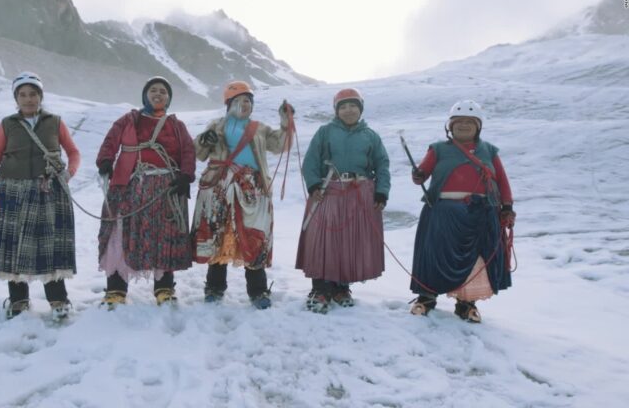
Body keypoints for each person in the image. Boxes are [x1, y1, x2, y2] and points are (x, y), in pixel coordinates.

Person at [0, 71, 80, 320]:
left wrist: (68, 174)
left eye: (33, 94)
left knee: (49, 246)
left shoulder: (55, 122)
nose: (28, 99)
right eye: (23, 95)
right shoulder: (7, 124)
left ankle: (58, 300)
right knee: (14, 246)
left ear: (41, 96)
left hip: (48, 191)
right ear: (16, 98)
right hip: (12, 191)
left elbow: (74, 152)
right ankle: (19, 300)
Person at [409, 100, 515, 323]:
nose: (464, 126)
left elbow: (502, 181)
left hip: (481, 214)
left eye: (469, 122)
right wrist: (418, 175)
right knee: (434, 256)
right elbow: (422, 174)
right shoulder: (437, 149)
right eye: (458, 122)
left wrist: (507, 207)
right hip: (443, 213)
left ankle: (466, 305)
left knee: (476, 260)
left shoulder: (489, 151)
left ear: (478, 126)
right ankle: (426, 298)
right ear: (450, 126)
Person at [96, 76, 195, 307]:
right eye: (153, 90)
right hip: (129, 186)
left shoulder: (177, 126)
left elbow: (188, 151)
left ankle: (164, 288)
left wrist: (186, 176)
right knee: (120, 235)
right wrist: (105, 161)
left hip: (166, 189)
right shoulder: (128, 120)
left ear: (168, 98)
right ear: (145, 95)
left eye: (163, 91)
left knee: (165, 237)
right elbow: (111, 141)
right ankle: (116, 291)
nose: (158, 94)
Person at [191, 81, 290, 310]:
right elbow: (199, 153)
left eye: (248, 101)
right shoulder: (215, 126)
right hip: (219, 186)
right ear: (228, 105)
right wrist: (204, 140)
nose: (244, 105)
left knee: (253, 236)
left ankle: (258, 291)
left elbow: (279, 145)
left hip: (251, 189)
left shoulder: (260, 128)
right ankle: (214, 288)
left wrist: (286, 123)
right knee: (219, 233)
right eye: (239, 101)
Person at [295, 88, 390, 314]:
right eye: (343, 106)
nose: (349, 110)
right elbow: (310, 161)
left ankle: (341, 288)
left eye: (353, 106)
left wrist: (381, 192)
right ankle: (320, 289)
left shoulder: (371, 136)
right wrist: (313, 184)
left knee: (349, 242)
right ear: (337, 110)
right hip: (329, 191)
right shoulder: (325, 132)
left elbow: (382, 165)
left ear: (360, 109)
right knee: (324, 241)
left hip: (359, 194)